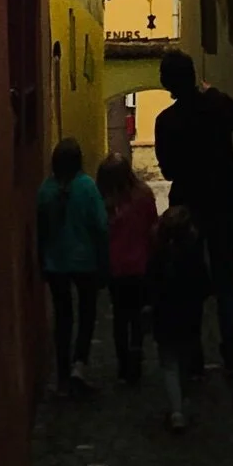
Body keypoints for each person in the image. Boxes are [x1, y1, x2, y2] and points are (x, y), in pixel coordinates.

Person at [152, 51, 233, 377]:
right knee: (224, 278)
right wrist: (214, 93)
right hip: (223, 199)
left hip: (188, 206)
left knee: (187, 280)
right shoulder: (215, 107)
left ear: (167, 82)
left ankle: (193, 357)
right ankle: (232, 353)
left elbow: (166, 171)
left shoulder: (166, 121)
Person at [36, 137, 107, 394]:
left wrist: (41, 260)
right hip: (84, 261)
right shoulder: (86, 187)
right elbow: (100, 225)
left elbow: (41, 230)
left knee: (63, 317)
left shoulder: (46, 190)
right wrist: (103, 260)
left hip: (56, 263)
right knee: (87, 313)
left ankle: (63, 374)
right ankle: (80, 363)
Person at [147, 201, 209, 433]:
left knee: (169, 362)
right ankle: (181, 403)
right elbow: (204, 285)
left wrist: (149, 306)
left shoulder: (159, 257)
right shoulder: (192, 255)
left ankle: (176, 410)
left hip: (165, 316)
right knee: (184, 359)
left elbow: (150, 285)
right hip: (189, 316)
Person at [97, 148, 158, 385]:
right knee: (137, 315)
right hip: (141, 265)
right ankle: (136, 356)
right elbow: (153, 228)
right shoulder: (144, 196)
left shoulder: (104, 203)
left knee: (120, 317)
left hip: (117, 269)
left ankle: (124, 365)